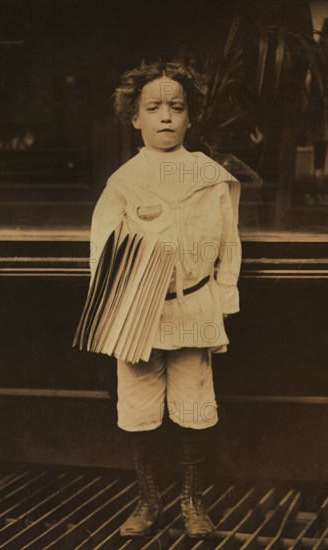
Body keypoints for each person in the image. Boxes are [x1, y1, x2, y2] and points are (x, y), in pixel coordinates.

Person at [89, 60, 242, 539]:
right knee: (138, 408)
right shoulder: (124, 182)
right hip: (139, 310)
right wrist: (119, 308)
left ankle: (192, 502)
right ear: (134, 118)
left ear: (190, 116)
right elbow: (101, 251)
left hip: (194, 306)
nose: (166, 116)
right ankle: (148, 500)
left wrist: (221, 299)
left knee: (194, 404)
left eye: (177, 107)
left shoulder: (210, 177)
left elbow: (229, 244)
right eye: (152, 107)